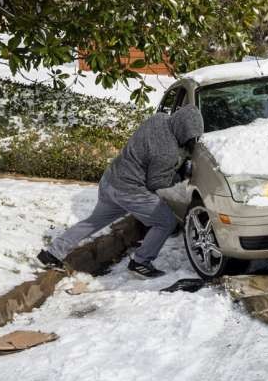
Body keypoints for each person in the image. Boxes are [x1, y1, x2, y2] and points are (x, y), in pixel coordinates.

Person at [37, 105, 205, 278]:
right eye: (191, 136)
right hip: (130, 191)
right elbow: (156, 182)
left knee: (94, 222)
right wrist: (180, 174)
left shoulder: (158, 119)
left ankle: (52, 253)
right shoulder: (167, 152)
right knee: (165, 222)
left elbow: (149, 150)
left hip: (111, 180)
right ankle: (140, 262)